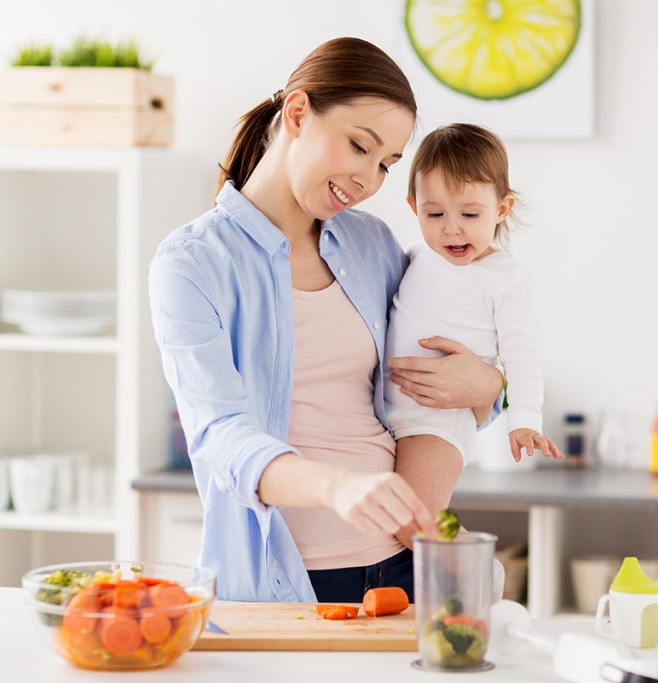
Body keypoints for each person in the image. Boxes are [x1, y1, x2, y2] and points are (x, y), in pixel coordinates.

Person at [148, 38, 504, 603]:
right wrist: (337, 487)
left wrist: (490, 384)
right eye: (360, 147)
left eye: (386, 163)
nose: (369, 179)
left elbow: (437, 375)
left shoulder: (374, 245)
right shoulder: (192, 262)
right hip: (284, 582)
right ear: (297, 113)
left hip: (403, 568)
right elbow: (219, 435)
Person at [386, 123, 565, 537]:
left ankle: (481, 575)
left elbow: (522, 354)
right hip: (389, 415)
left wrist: (524, 419)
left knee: (413, 527)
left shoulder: (506, 279)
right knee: (393, 522)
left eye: (469, 214)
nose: (452, 228)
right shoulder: (415, 256)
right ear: (414, 207)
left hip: (437, 422)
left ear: (501, 209)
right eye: (435, 214)